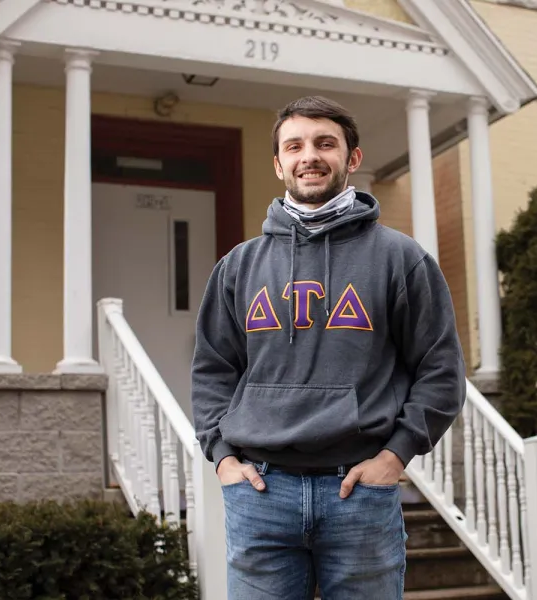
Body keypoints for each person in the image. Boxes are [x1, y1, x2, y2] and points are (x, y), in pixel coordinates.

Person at [191, 95, 466, 600]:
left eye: (325, 143)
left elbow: (441, 371)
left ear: (352, 158)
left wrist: (395, 455)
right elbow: (213, 369)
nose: (309, 156)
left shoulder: (401, 259)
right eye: (294, 146)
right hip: (260, 493)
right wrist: (223, 456)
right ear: (278, 164)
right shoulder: (239, 266)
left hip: (359, 492)